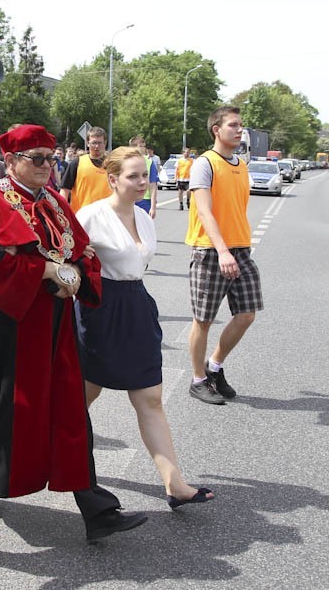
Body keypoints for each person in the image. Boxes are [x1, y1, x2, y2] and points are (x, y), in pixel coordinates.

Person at [0, 124, 147, 543]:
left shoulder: (56, 203)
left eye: (50, 158)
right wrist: (43, 271)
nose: (47, 166)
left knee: (69, 412)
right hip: (7, 325)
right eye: (37, 159)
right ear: (10, 162)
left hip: (57, 324)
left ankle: (95, 508)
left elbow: (83, 254)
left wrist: (72, 275)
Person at [75, 146, 215, 509]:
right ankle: (48, 456)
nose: (142, 182)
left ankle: (175, 484)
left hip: (136, 308)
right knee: (82, 397)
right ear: (113, 179)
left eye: (145, 175)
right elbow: (67, 259)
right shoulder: (90, 215)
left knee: (150, 399)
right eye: (133, 176)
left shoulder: (145, 217)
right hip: (100, 311)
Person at [186, 106, 263, 405]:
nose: (239, 129)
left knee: (246, 314)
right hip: (210, 250)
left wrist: (235, 249)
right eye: (233, 125)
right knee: (203, 320)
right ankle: (197, 380)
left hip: (240, 249)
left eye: (241, 125)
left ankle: (214, 366)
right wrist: (221, 250)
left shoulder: (241, 164)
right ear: (216, 129)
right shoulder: (204, 163)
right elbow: (204, 210)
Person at [60, 126, 110, 213]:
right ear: (87, 143)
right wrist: (63, 212)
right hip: (80, 217)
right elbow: (64, 190)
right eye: (93, 143)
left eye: (100, 143)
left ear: (105, 143)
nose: (97, 146)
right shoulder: (77, 163)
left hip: (107, 216)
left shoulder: (112, 165)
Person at [127, 136, 159, 218]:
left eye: (144, 146)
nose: (144, 149)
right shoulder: (125, 162)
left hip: (144, 201)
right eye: (141, 146)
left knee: (143, 228)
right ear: (133, 148)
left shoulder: (149, 162)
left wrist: (153, 207)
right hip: (128, 199)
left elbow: (153, 186)